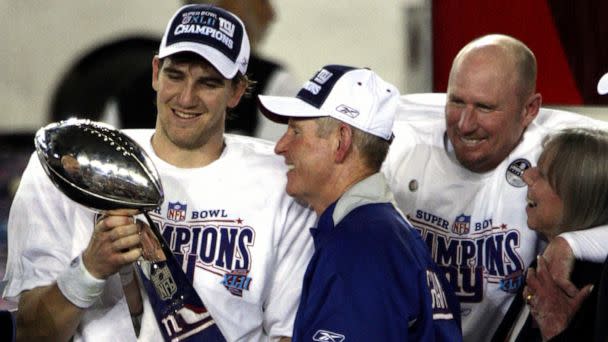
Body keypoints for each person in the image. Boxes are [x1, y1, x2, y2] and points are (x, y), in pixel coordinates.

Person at [2, 4, 315, 341]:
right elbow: (30, 334)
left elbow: (288, 334)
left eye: (208, 83)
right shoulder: (71, 168)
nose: (186, 97)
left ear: (237, 92)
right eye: (175, 75)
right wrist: (90, 270)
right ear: (155, 72)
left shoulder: (282, 182)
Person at [382, 33, 608, 341]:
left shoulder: (561, 150)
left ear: (529, 110)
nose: (464, 123)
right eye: (456, 101)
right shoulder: (398, 142)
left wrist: (571, 243)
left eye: (485, 107)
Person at [258, 65, 462, 340]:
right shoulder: (386, 232)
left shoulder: (359, 247)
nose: (280, 146)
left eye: (296, 132)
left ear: (341, 141)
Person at [490, 127, 608, 341]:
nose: (526, 175)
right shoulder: (549, 261)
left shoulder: (595, 285)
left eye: (542, 174)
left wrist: (557, 332)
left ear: (577, 196)